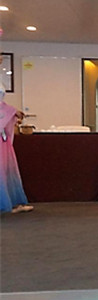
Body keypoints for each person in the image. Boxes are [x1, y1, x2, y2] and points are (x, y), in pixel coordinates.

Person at [0, 82, 34, 213]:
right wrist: (13, 111)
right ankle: (6, 203)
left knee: (8, 169)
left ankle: (13, 201)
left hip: (3, 140)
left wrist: (12, 114)